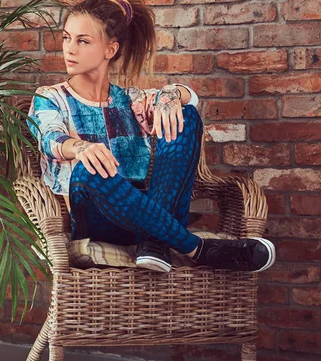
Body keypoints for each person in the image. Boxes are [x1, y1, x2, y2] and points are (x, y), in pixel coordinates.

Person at [27, 0, 275, 273]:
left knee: (186, 116)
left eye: (83, 41)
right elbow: (49, 136)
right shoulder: (50, 97)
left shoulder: (132, 100)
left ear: (110, 49)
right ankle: (197, 249)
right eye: (66, 38)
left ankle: (153, 244)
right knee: (88, 171)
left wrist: (170, 95)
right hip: (99, 217)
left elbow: (189, 98)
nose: (69, 49)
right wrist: (80, 147)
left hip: (150, 209)